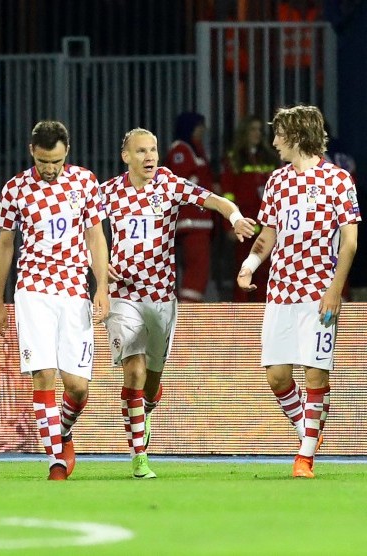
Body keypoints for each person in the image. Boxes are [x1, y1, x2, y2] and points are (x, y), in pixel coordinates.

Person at [103, 128, 255, 479]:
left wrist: (234, 218)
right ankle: (139, 457)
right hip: (123, 294)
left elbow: (217, 201)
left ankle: (148, 406)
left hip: (160, 297)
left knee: (152, 382)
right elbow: (83, 229)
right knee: (134, 371)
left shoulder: (169, 185)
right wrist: (96, 260)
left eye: (153, 150)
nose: (150, 157)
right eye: (141, 151)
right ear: (125, 156)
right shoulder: (107, 193)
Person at [237, 105, 360, 479]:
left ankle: (304, 456)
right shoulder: (276, 182)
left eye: (279, 135)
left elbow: (350, 242)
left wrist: (335, 290)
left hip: (319, 293)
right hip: (281, 293)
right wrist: (249, 265)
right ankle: (309, 428)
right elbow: (268, 235)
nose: (274, 142)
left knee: (315, 375)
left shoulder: (338, 180)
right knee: (276, 376)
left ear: (296, 136)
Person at [0, 120, 109, 481]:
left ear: (66, 153)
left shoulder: (86, 183)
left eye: (56, 162)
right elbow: (5, 244)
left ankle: (63, 430)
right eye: (44, 162)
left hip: (74, 291)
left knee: (77, 387)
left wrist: (101, 285)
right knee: (42, 375)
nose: (50, 169)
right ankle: (56, 459)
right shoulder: (15, 189)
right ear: (32, 152)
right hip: (33, 290)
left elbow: (96, 237)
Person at [221, 115, 281, 301]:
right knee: (243, 268)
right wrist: (229, 225)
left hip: (267, 224)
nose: (257, 134)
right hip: (244, 223)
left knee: (266, 270)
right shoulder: (234, 158)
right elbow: (227, 194)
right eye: (252, 129)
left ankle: (264, 312)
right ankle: (242, 318)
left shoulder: (270, 157)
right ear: (244, 133)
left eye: (259, 130)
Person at [164, 112, 219, 302]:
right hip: (191, 221)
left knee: (197, 270)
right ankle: (188, 315)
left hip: (199, 221)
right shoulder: (181, 149)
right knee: (197, 270)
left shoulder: (195, 150)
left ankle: (188, 311)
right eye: (198, 126)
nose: (202, 131)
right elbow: (182, 183)